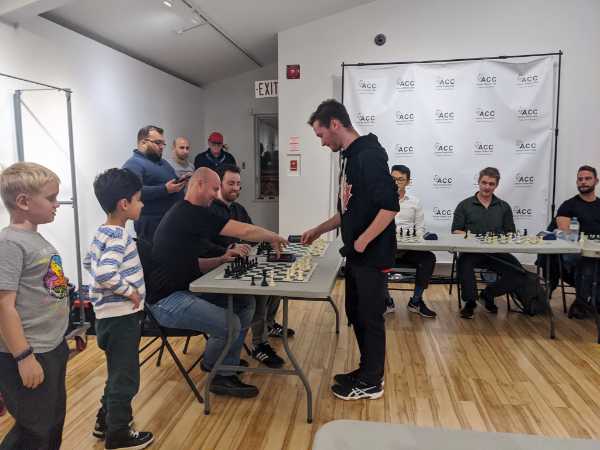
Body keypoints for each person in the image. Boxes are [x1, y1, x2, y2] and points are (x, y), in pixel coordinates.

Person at [148, 167, 287, 398]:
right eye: (214, 188)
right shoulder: (189, 212)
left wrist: (221, 259)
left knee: (244, 303)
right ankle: (218, 374)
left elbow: (190, 263)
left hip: (187, 288)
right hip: (166, 301)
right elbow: (245, 230)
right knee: (230, 322)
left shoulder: (188, 213)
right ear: (199, 184)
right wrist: (274, 236)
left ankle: (225, 363)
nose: (216, 194)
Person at [302, 99, 399, 400]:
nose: (321, 142)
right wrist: (318, 229)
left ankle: (372, 382)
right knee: (356, 313)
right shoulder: (348, 156)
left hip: (371, 255)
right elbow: (349, 210)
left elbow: (390, 207)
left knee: (370, 317)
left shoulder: (367, 155)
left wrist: (361, 241)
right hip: (358, 255)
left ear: (335, 124)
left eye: (320, 135)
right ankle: (366, 370)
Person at [0, 162, 70, 449]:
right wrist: (24, 357)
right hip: (29, 352)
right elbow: (4, 305)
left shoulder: (34, 238)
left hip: (51, 346)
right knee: (34, 430)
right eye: (51, 198)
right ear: (24, 202)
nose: (57, 204)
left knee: (52, 422)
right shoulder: (9, 243)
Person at [83, 168, 153, 450]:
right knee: (126, 379)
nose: (142, 204)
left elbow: (90, 264)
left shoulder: (102, 232)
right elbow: (105, 274)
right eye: (139, 200)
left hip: (106, 318)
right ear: (124, 204)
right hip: (122, 317)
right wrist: (129, 291)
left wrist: (103, 293)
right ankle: (119, 434)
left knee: (116, 373)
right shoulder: (120, 237)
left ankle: (105, 420)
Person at [210, 165, 290, 369]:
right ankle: (258, 345)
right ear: (219, 184)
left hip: (240, 265)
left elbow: (252, 232)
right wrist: (229, 247)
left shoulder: (238, 209)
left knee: (274, 282)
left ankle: (269, 326)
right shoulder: (210, 210)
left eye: (238, 184)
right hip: (217, 271)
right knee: (259, 293)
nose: (235, 188)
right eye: (231, 183)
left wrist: (268, 239)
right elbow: (206, 244)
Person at [452, 167, 528, 319]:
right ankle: (470, 302)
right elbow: (455, 231)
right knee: (464, 264)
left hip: (497, 252)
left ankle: (488, 294)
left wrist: (502, 238)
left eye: (491, 184)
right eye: (484, 183)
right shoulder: (465, 205)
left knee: (519, 273)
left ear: (496, 185)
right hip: (472, 251)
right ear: (478, 182)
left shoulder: (503, 206)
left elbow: (510, 233)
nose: (487, 187)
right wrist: (472, 236)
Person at [385, 165, 437, 318]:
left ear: (408, 182)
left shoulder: (415, 202)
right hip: (386, 249)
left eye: (400, 179)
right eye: (393, 179)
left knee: (428, 258)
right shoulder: (379, 200)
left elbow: (420, 229)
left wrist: (414, 241)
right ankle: (386, 300)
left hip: (408, 250)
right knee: (375, 258)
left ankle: (416, 301)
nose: (395, 182)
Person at [122, 125, 186, 241]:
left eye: (163, 143)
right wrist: (165, 189)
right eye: (158, 143)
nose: (162, 147)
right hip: (151, 225)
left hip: (170, 221)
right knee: (155, 258)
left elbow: (172, 180)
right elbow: (133, 191)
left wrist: (181, 181)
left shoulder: (163, 162)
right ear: (143, 143)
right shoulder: (134, 164)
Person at [555, 165, 600, 318]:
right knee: (588, 261)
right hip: (573, 254)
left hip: (596, 252)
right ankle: (583, 303)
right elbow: (567, 237)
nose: (583, 182)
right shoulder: (568, 206)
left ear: (596, 181)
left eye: (587, 179)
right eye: (580, 179)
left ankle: (589, 302)